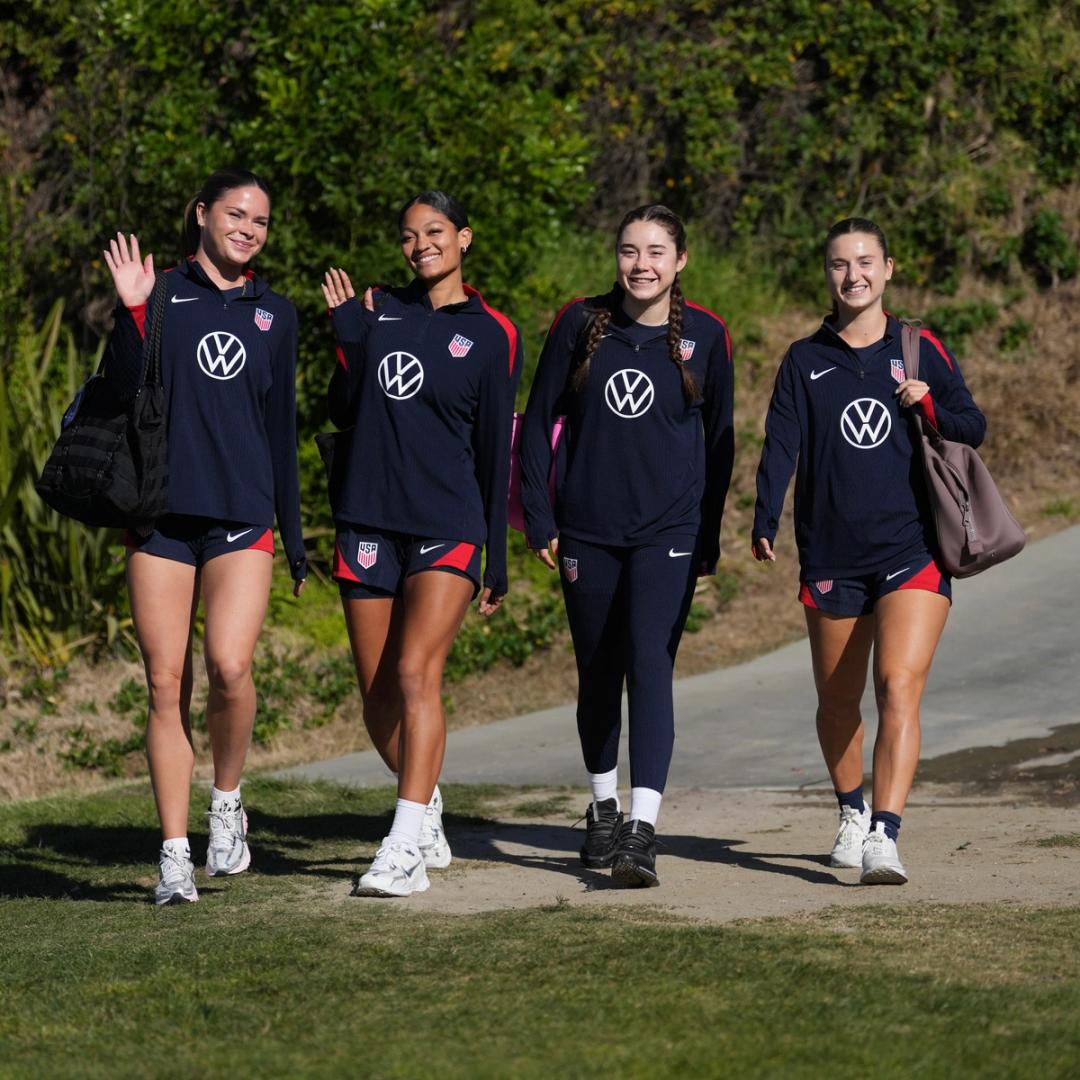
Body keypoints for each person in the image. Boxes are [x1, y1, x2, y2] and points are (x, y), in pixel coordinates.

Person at [752, 217, 986, 884]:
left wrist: (930, 403)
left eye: (864, 262)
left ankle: (885, 833)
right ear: (827, 274)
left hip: (912, 548)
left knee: (898, 686)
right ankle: (851, 811)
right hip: (830, 552)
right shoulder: (804, 359)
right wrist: (764, 517)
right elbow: (781, 445)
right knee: (837, 703)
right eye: (838, 263)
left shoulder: (918, 349)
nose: (852, 274)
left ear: (888, 269)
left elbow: (973, 424)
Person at [102, 168, 307, 905]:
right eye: (236, 214)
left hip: (243, 513)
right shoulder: (158, 293)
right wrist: (130, 311)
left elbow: (280, 429)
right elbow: (120, 389)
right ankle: (173, 856)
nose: (248, 229)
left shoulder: (276, 313)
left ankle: (227, 803)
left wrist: (297, 531)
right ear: (201, 214)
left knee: (229, 665)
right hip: (160, 513)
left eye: (260, 221)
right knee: (164, 684)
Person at [519, 205, 735, 887]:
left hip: (667, 533)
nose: (641, 264)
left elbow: (721, 445)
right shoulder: (581, 324)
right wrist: (539, 519)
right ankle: (603, 805)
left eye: (655, 252)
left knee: (649, 665)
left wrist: (709, 536)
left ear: (680, 262)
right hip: (587, 528)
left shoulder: (706, 335)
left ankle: (641, 830)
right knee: (597, 675)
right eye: (628, 251)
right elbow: (535, 423)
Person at [321, 190, 522, 898]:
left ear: (463, 237)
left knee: (415, 674)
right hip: (368, 520)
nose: (421, 245)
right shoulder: (379, 310)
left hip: (449, 523)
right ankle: (425, 803)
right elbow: (341, 412)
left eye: (434, 232)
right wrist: (348, 340)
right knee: (377, 699)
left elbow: (497, 450)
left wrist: (497, 556)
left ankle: (403, 844)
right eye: (408, 235)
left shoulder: (494, 332)